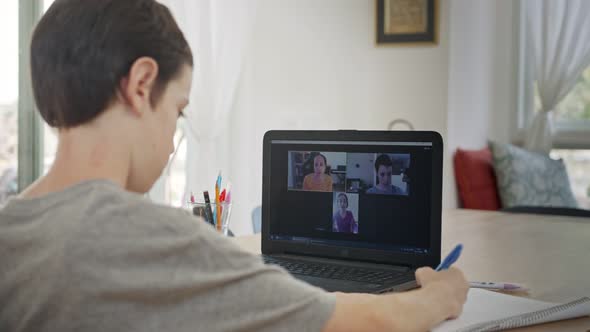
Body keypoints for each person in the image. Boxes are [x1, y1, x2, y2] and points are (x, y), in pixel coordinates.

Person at [0, 1, 468, 331]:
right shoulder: (151, 237)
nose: (171, 139)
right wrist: (441, 296)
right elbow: (358, 325)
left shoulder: (11, 232)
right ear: (141, 84)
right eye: (178, 111)